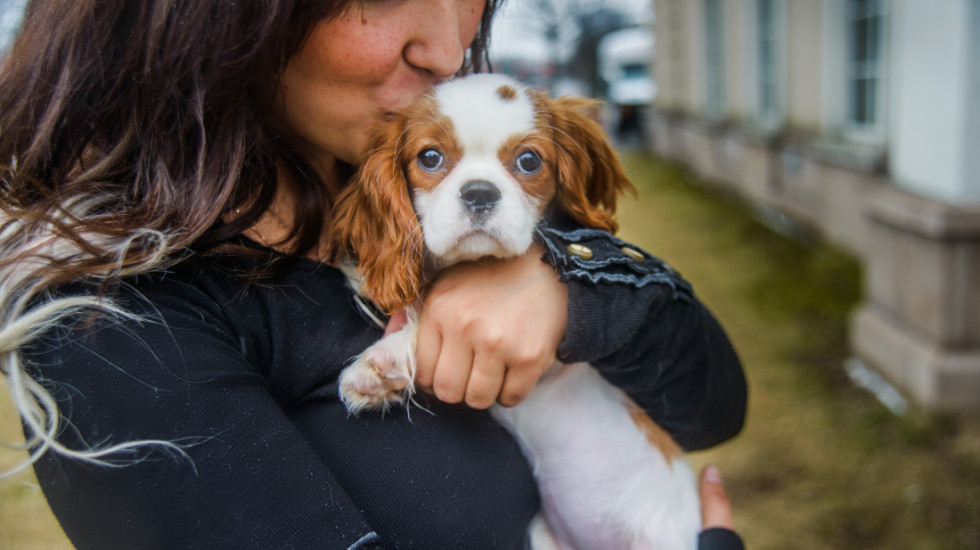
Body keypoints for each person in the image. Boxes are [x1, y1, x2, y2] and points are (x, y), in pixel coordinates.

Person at [0, 1, 747, 548]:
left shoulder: (416, 186)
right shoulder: (111, 323)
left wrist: (574, 288)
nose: (450, 49)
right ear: (209, 18)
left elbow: (711, 410)